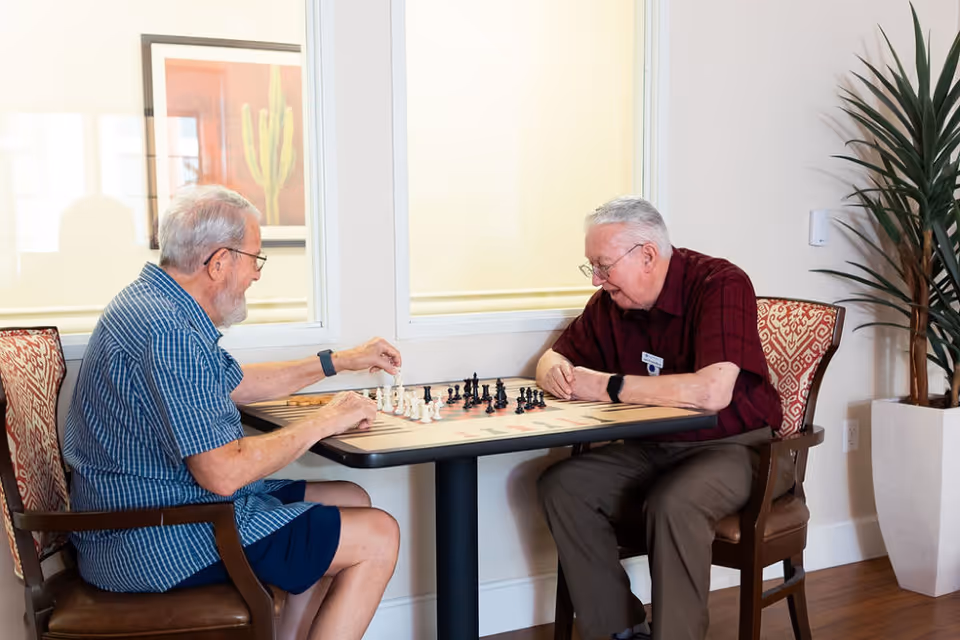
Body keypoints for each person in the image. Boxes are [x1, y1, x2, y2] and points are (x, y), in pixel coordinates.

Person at [64, 185, 400, 640]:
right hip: (152, 537)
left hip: (150, 514)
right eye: (254, 260)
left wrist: (337, 361)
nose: (256, 275)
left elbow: (235, 383)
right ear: (219, 262)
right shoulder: (169, 331)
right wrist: (324, 420)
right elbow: (221, 474)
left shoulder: (155, 302)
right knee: (379, 535)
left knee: (350, 498)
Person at [536, 196, 793, 640]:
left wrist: (606, 385)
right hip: (653, 447)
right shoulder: (611, 303)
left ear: (648, 256)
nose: (596, 279)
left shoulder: (721, 284)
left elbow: (712, 392)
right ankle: (620, 630)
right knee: (562, 485)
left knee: (674, 502)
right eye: (591, 267)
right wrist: (555, 372)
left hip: (741, 448)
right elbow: (554, 356)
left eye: (603, 266)